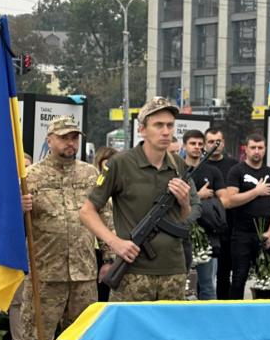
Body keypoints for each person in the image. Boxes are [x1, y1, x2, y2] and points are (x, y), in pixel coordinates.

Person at [16, 117, 100, 340]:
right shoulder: (30, 177)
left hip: (84, 274)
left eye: (75, 138)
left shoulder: (91, 174)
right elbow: (11, 228)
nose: (70, 144)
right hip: (45, 275)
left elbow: (106, 214)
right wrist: (19, 208)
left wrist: (111, 258)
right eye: (64, 138)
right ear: (49, 139)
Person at [80, 97, 199, 302]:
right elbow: (87, 211)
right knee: (130, 333)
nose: (166, 131)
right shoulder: (121, 164)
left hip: (173, 270)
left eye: (170, 125)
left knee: (169, 333)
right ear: (142, 129)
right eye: (158, 125)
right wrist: (114, 242)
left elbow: (187, 218)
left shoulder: (178, 165)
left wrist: (185, 202)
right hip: (133, 272)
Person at [224, 133, 270, 300]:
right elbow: (230, 201)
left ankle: (263, 321)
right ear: (246, 149)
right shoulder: (237, 171)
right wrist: (256, 192)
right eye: (253, 148)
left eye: (260, 148)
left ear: (265, 150)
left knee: (265, 280)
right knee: (238, 279)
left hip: (265, 235)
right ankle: (235, 319)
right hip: (242, 234)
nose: (257, 151)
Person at [183, 129, 226, 300]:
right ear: (184, 145)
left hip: (207, 235)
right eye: (193, 143)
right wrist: (198, 196)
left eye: (200, 144)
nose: (197, 147)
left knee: (208, 284)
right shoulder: (177, 169)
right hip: (183, 233)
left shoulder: (213, 172)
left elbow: (225, 200)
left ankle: (210, 322)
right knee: (181, 283)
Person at [204, 127, 238, 299]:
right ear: (204, 144)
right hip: (206, 228)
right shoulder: (200, 166)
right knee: (205, 276)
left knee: (225, 273)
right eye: (210, 142)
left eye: (217, 142)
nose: (214, 145)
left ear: (223, 143)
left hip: (230, 226)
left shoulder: (234, 165)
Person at [8, 153, 33, 340]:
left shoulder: (38, 188)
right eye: (21, 167)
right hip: (16, 248)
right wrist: (18, 208)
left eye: (28, 167)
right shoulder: (7, 193)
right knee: (17, 300)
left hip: (40, 251)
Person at [92, 147, 117, 302]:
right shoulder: (94, 189)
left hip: (119, 250)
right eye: (106, 166)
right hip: (98, 251)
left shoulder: (123, 188)